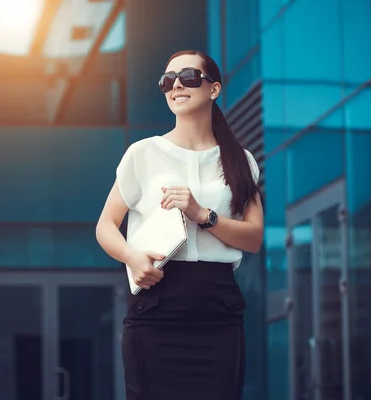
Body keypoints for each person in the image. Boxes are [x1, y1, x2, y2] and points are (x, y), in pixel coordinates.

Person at [95, 49, 264, 400]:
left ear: (213, 89)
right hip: (158, 306)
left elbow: (254, 238)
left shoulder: (239, 160)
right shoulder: (143, 153)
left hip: (217, 309)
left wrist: (203, 214)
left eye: (188, 77)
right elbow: (106, 226)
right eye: (168, 81)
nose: (176, 86)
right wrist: (132, 257)